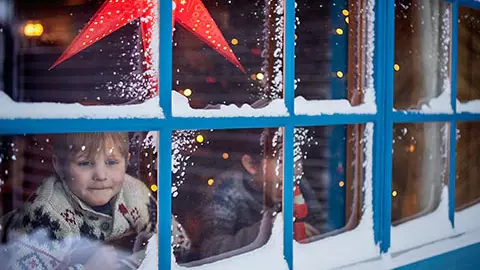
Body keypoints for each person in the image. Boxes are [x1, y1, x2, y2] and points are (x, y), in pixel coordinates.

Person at [0, 132, 189, 269]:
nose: (100, 175)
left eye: (112, 162)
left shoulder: (134, 193)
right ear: (59, 165)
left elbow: (180, 243)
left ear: (127, 161)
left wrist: (129, 262)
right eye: (85, 163)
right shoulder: (46, 213)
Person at [198, 128, 327, 261]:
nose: (295, 169)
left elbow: (322, 226)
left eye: (296, 159)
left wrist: (311, 235)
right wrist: (270, 228)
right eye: (282, 162)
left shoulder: (295, 182)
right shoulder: (226, 189)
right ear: (251, 165)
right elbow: (211, 250)